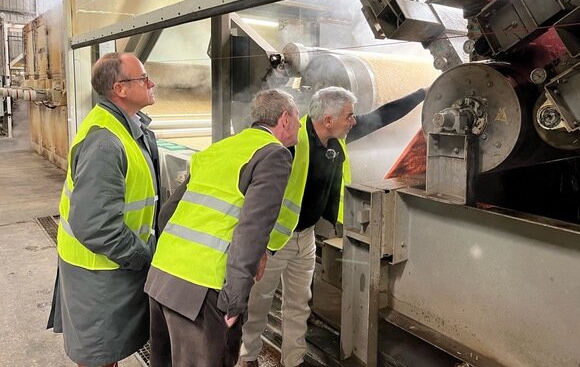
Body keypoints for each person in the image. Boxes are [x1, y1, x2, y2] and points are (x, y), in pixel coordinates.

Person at [238, 85, 428, 367]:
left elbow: (383, 115)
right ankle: (248, 357)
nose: (354, 121)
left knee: (298, 305)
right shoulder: (290, 141)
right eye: (349, 116)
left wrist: (423, 93)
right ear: (328, 120)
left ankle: (294, 360)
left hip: (305, 238)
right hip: (273, 242)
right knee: (257, 305)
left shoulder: (337, 137)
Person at [144, 88, 302, 367]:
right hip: (201, 293)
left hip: (162, 278)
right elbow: (251, 233)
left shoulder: (220, 148)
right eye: (298, 118)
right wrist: (234, 302)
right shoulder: (273, 155)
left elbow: (167, 213)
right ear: (285, 119)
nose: (300, 126)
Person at [47, 52, 159, 367]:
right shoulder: (106, 143)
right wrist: (142, 256)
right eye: (143, 78)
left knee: (105, 352)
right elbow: (96, 225)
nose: (152, 83)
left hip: (108, 266)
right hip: (98, 270)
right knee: (98, 356)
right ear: (120, 89)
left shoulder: (125, 127)